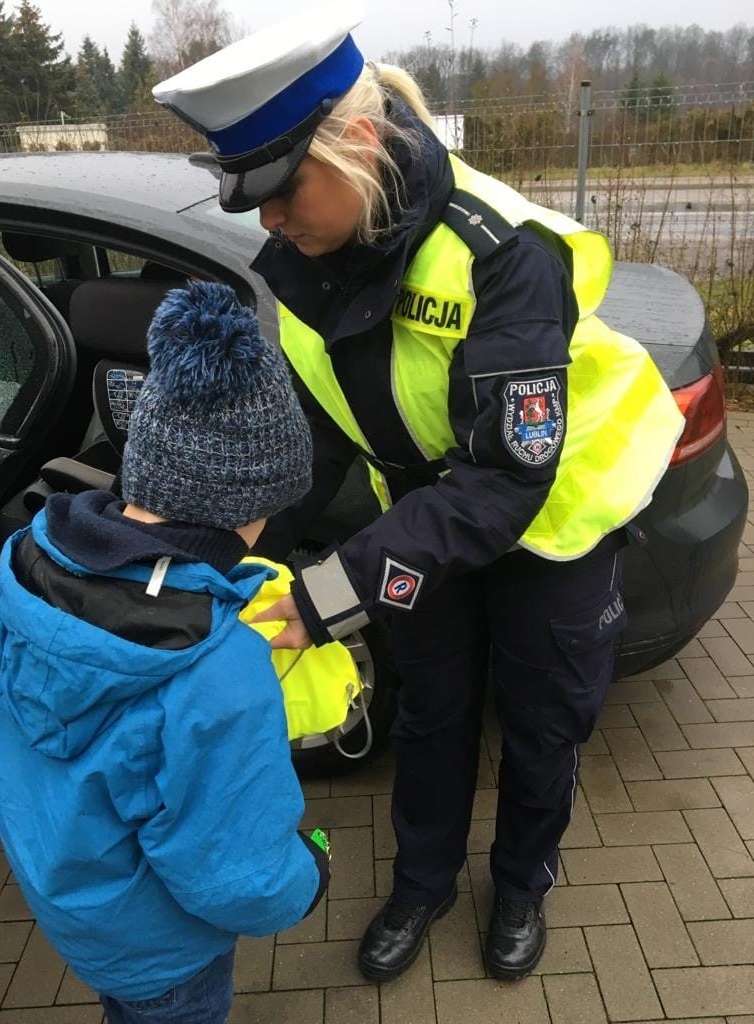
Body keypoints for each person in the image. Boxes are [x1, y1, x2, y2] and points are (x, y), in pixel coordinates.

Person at [153, 6, 685, 983]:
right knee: (434, 710)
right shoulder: (307, 256)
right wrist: (214, 544)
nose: (267, 218)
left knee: (541, 718)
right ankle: (423, 881)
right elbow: (318, 434)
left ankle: (522, 880)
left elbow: (506, 477)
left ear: (355, 142)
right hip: (433, 523)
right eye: (253, 199)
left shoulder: (500, 254)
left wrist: (327, 595)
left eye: (281, 189)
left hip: (553, 519)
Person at [0, 280, 329, 1023]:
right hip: (165, 950)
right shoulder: (215, 671)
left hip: (71, 899)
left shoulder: (22, 566)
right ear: (249, 505)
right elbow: (229, 870)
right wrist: (305, 874)